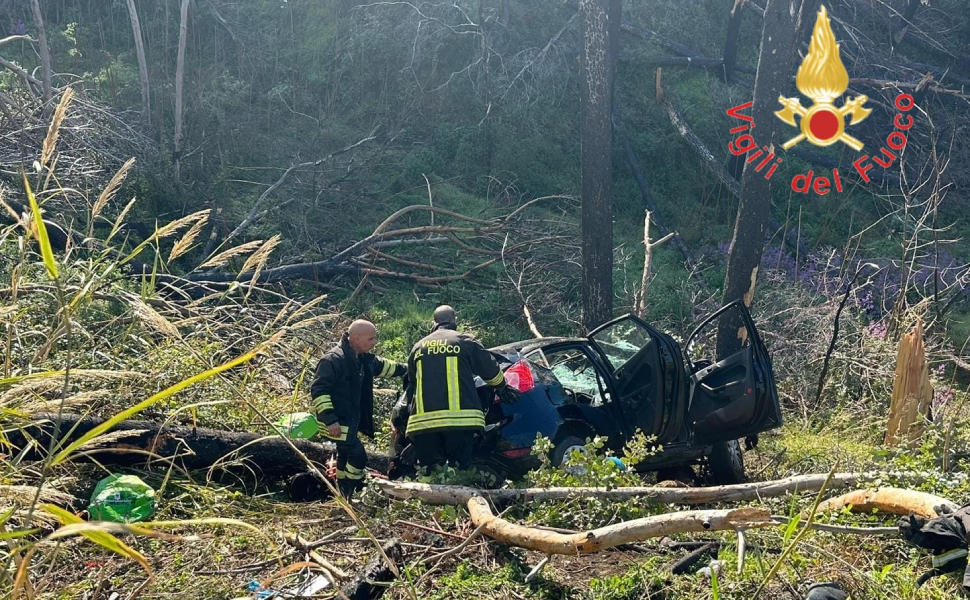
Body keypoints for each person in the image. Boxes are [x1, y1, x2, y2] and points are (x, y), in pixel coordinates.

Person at [404, 305, 518, 471]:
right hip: (460, 422)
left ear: (433, 322)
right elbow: (489, 370)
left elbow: (412, 381)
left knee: (429, 472)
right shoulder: (465, 341)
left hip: (423, 425)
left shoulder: (418, 347)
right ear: (455, 320)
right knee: (459, 470)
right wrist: (502, 387)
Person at [311, 319, 406, 496]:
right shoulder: (333, 360)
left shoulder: (361, 358)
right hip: (337, 422)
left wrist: (408, 369)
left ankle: (341, 489)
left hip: (350, 421)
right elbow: (319, 390)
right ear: (355, 338)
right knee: (358, 456)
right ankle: (351, 490)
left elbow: (384, 367)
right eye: (371, 339)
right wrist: (330, 420)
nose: (374, 343)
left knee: (345, 455)